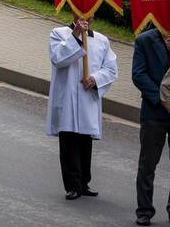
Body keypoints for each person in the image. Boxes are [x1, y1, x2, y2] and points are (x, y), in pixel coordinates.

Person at [46, 16, 118, 200]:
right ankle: (72, 185)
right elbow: (58, 58)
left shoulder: (101, 40)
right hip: (67, 97)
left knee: (85, 141)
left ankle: (84, 181)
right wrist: (75, 35)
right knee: (69, 140)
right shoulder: (58, 34)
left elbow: (110, 69)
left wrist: (96, 79)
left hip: (87, 97)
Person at [132, 18, 170, 225]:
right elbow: (138, 75)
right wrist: (161, 97)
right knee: (148, 163)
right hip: (154, 112)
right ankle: (144, 210)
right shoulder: (144, 40)